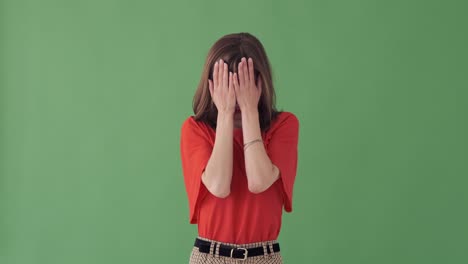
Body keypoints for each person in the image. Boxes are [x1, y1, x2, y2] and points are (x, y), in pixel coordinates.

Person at [180, 32, 299, 264]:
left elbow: (258, 181)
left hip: (264, 257)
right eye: (228, 85)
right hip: (210, 256)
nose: (235, 96)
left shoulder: (284, 125)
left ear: (260, 84)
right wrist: (224, 113)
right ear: (212, 85)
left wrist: (249, 111)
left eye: (244, 84)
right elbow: (219, 186)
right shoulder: (195, 129)